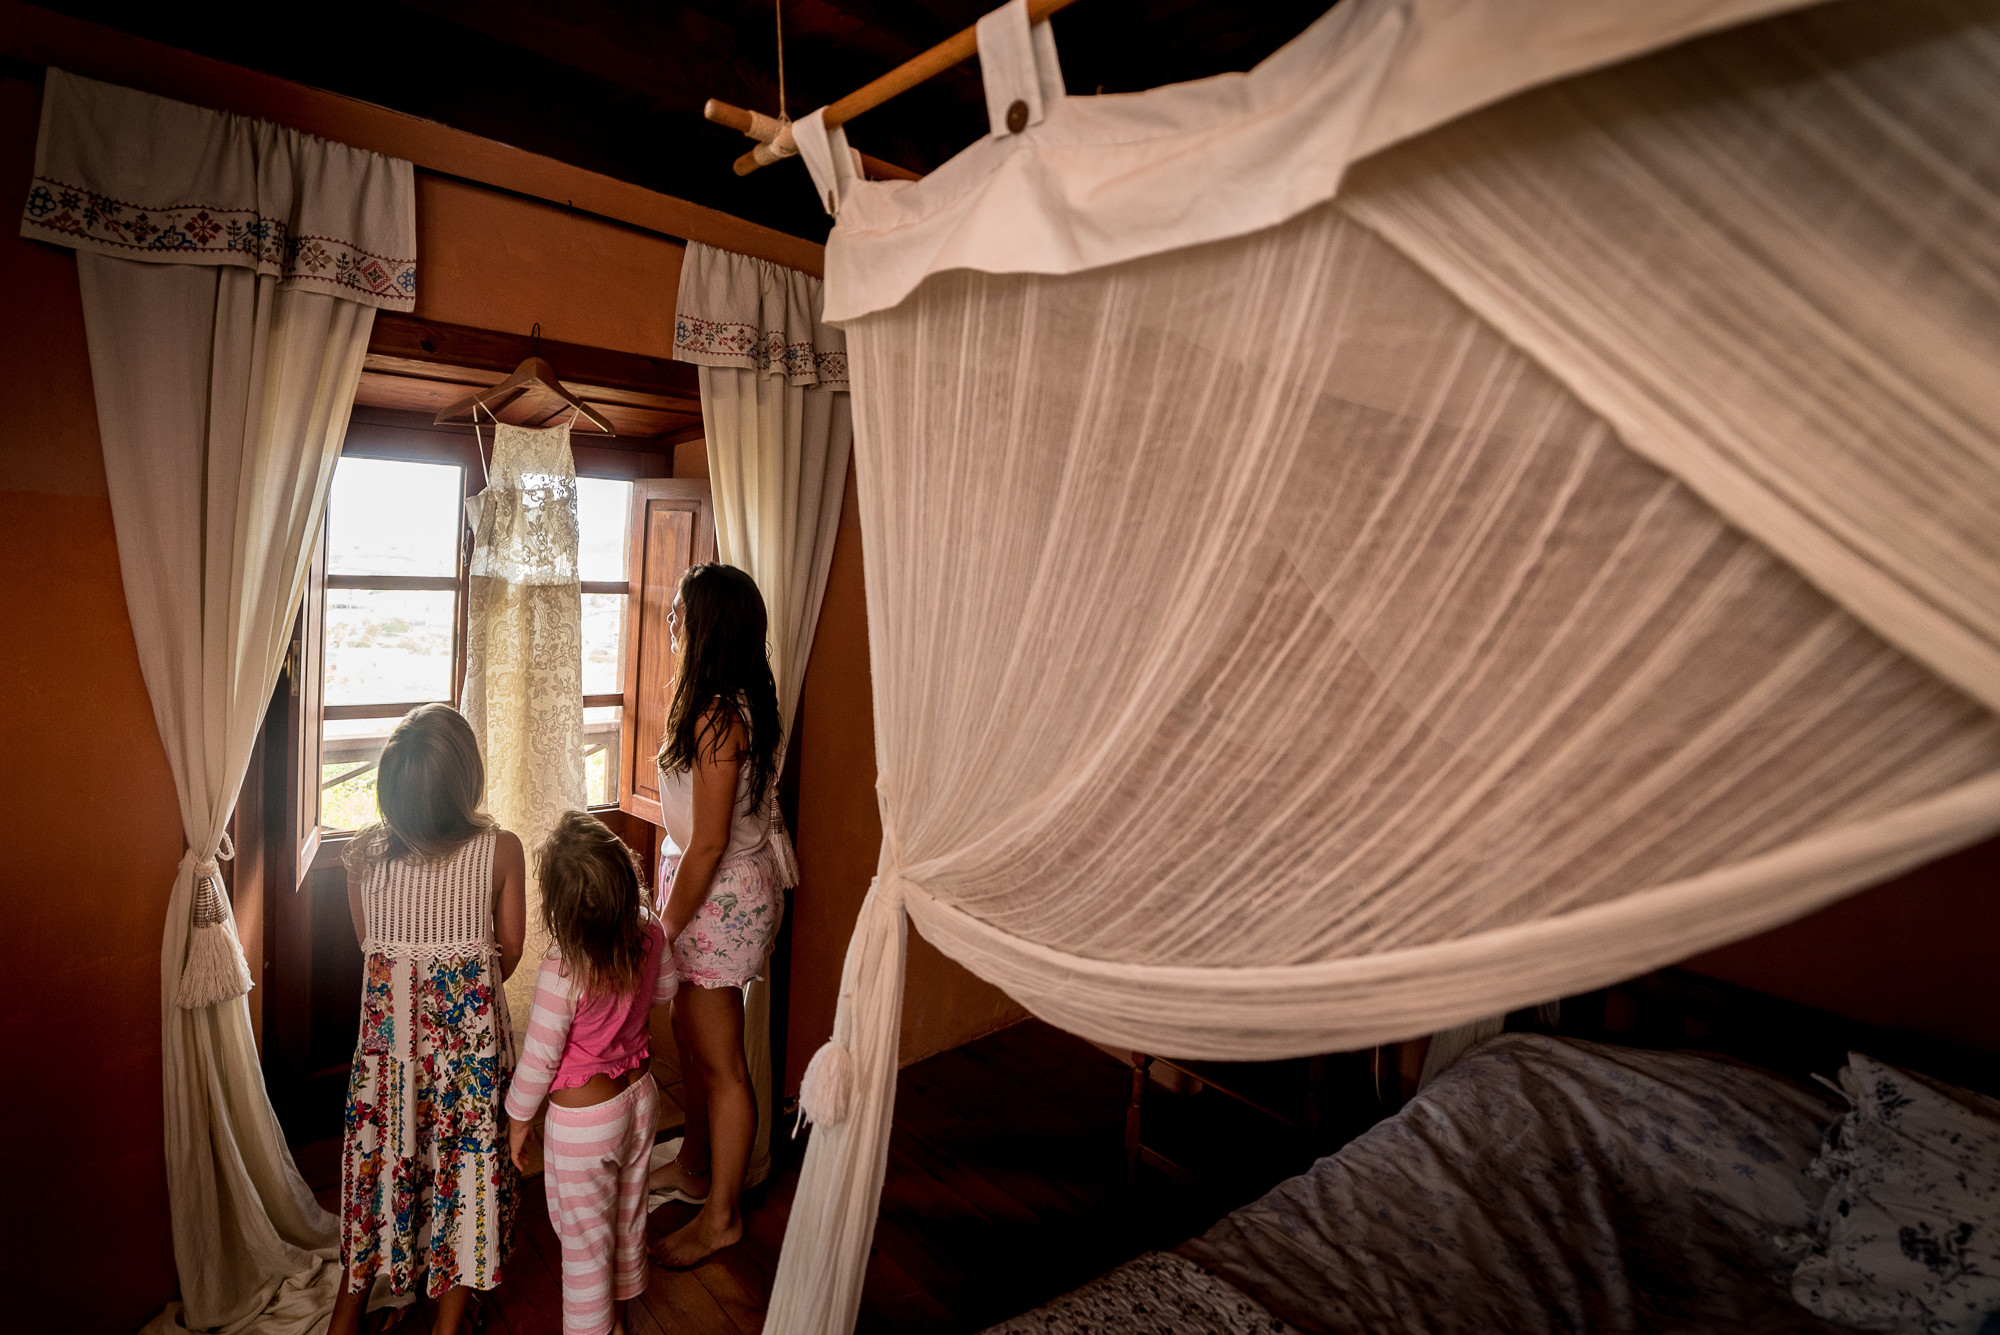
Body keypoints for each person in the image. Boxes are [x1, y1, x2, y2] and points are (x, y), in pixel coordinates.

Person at [331, 704, 527, 1335]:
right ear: (465, 782)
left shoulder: (361, 862)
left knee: (383, 1170)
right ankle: (449, 1320)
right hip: (466, 1071)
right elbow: (512, 949)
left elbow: (373, 954)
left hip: (388, 1071)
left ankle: (354, 1301)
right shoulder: (500, 851)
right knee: (464, 1174)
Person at [647, 563, 786, 1268]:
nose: (671, 622)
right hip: (710, 884)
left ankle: (722, 1217)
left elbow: (708, 842)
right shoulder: (713, 701)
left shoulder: (720, 715)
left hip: (722, 892)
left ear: (708, 626)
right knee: (692, 1036)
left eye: (679, 613)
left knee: (721, 1058)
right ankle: (695, 1169)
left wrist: (662, 927)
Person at [505, 811, 677, 1335]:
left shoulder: (563, 968)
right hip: (641, 1099)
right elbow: (665, 993)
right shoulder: (650, 931)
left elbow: (539, 1058)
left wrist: (517, 1120)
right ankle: (618, 1315)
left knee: (584, 1239)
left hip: (584, 1124)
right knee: (627, 1212)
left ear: (560, 909)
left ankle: (594, 1328)